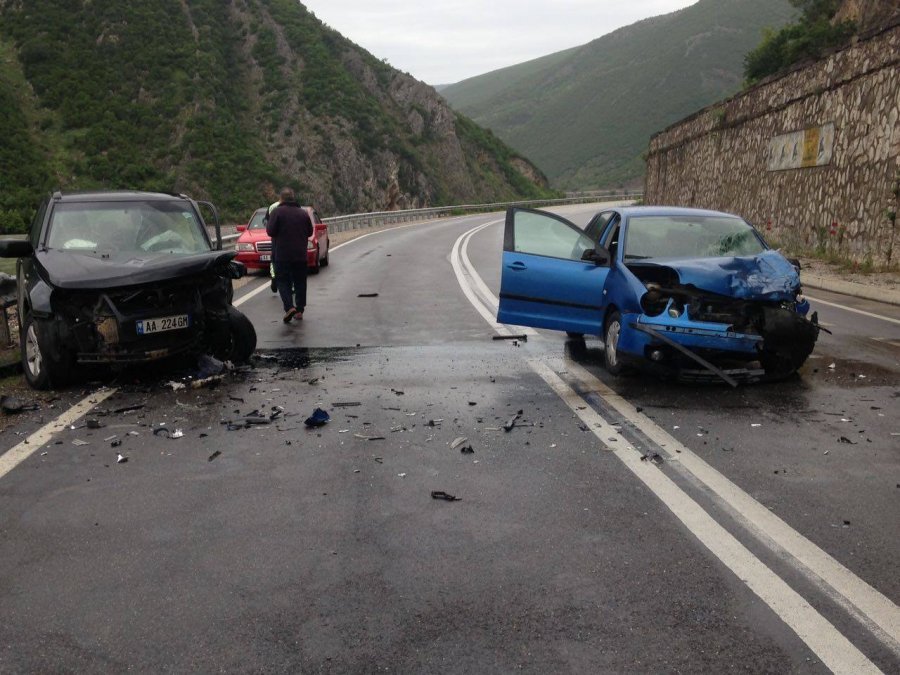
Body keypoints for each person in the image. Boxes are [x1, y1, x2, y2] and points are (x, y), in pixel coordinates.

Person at [266, 187, 313, 323]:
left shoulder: (277, 212)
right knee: (300, 282)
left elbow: (270, 231)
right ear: (293, 198)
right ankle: (299, 310)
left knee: (282, 281)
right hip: (300, 255)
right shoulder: (303, 213)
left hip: (282, 255)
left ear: (281, 199)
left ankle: (289, 307)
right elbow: (310, 232)